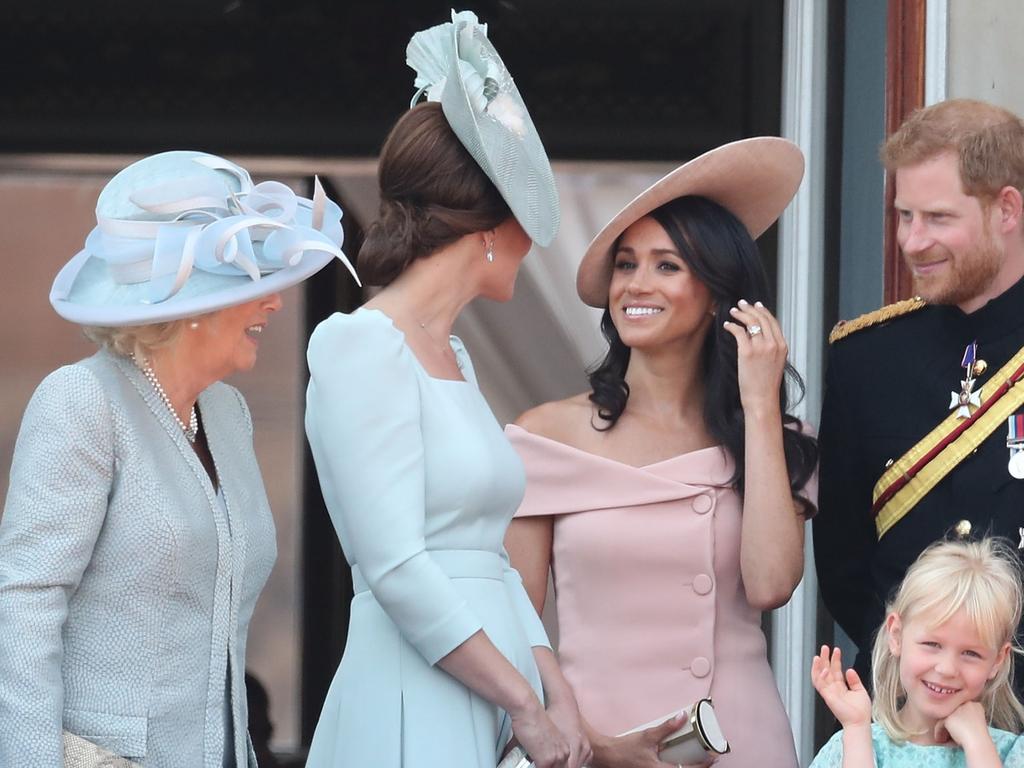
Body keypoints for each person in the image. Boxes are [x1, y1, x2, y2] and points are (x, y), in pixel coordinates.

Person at [0, 150, 357, 768]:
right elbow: (25, 602)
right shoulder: (81, 400)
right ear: (190, 308)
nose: (273, 305)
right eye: (253, 288)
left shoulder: (228, 415)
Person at [303, 12, 588, 768]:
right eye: (526, 215)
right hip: (415, 687)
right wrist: (523, 701)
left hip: (494, 687)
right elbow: (394, 563)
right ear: (490, 225)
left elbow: (490, 559)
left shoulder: (453, 351)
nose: (533, 242)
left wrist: (553, 689)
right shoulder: (358, 343)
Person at [505, 138, 819, 768]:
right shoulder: (546, 436)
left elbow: (771, 584)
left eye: (667, 265)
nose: (636, 285)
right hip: (591, 749)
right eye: (626, 265)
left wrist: (759, 408)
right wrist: (593, 743)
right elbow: (514, 623)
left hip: (743, 745)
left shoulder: (775, 436)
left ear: (716, 295)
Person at [813, 99, 1024, 694]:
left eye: (937, 218)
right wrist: (923, 688)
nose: (912, 241)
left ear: (1006, 209)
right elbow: (846, 566)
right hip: (902, 712)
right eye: (904, 216)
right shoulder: (865, 356)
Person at [809, 538, 1024, 767]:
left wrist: (977, 743)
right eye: (932, 644)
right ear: (896, 635)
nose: (947, 669)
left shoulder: (1011, 753)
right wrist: (856, 731)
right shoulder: (849, 745)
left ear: (997, 661)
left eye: (971, 653)